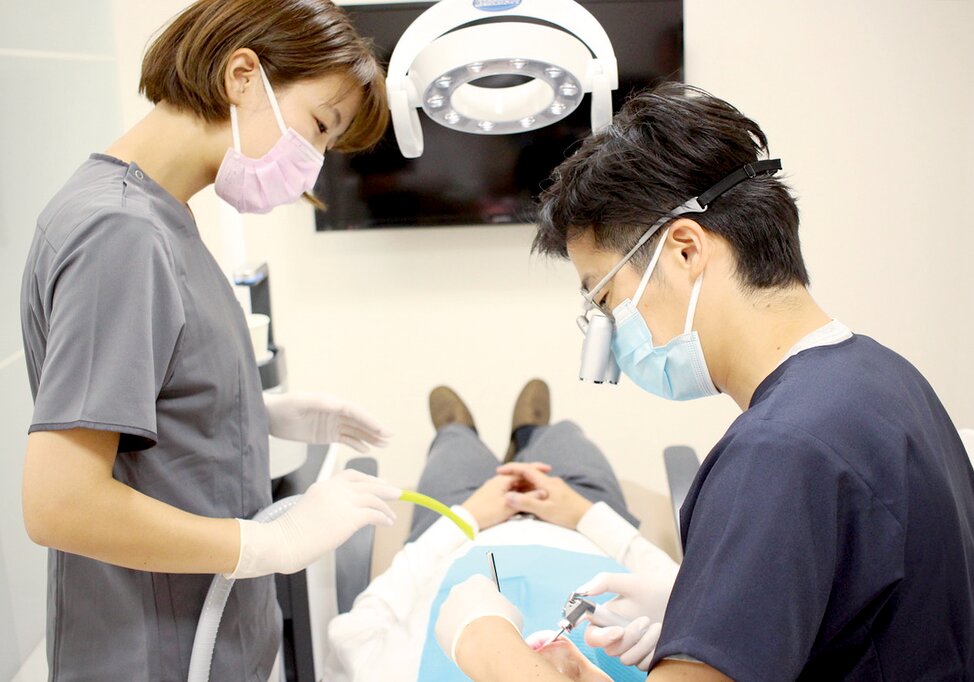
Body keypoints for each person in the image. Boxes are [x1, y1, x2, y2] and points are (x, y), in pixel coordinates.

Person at [434, 83, 974, 680]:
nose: (612, 332)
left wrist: (482, 640)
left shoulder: (780, 451)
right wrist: (704, 611)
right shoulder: (884, 377)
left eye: (607, 298)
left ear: (685, 249)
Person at [19, 2, 399, 680]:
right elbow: (60, 503)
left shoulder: (160, 215)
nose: (311, 168)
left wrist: (253, 410)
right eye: (317, 127)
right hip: (155, 655)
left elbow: (146, 401)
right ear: (242, 75)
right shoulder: (122, 232)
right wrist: (270, 543)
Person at [323, 380, 680, 681]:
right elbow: (689, 592)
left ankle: (458, 432)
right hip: (577, 521)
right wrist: (583, 513)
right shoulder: (656, 664)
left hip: (464, 526)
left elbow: (356, 632)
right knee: (564, 437)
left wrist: (467, 516)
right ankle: (529, 433)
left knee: (453, 448)